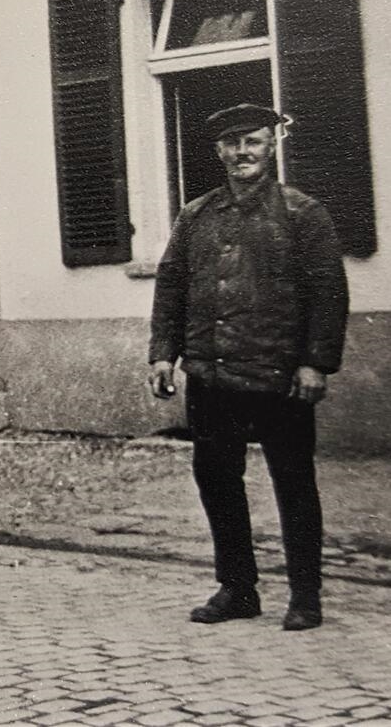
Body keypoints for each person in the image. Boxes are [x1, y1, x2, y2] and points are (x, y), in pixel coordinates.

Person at [148, 103, 348, 631]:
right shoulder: (195, 216)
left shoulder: (303, 213)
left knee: (294, 483)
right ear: (218, 151)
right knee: (217, 479)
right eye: (232, 143)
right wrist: (163, 353)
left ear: (271, 146)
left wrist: (315, 363)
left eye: (252, 141)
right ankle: (237, 589)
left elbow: (328, 294)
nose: (243, 152)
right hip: (211, 375)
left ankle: (305, 595)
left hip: (280, 377)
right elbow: (171, 286)